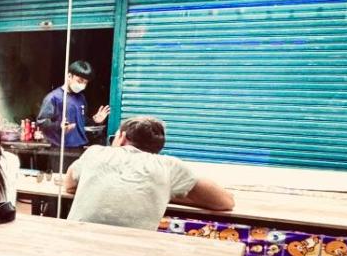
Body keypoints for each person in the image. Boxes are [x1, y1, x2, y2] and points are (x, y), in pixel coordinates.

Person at [64, 115, 235, 230]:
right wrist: (163, 191)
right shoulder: (168, 166)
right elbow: (225, 202)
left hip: (76, 245)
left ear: (122, 137)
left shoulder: (95, 152)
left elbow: (69, 185)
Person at [37, 60, 110, 173]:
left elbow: (81, 120)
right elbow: (42, 122)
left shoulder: (81, 98)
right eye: (79, 81)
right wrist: (59, 126)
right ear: (69, 76)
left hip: (79, 148)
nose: (82, 85)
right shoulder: (54, 98)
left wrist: (95, 121)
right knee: (61, 180)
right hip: (61, 150)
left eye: (85, 82)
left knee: (76, 180)